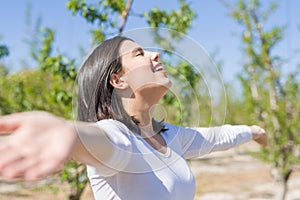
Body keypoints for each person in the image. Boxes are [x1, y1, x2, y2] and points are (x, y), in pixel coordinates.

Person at [0, 36, 268, 200]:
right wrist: (67, 131)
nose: (155, 54)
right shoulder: (117, 136)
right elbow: (96, 140)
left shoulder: (171, 136)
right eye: (140, 53)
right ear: (118, 79)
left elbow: (218, 136)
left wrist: (255, 130)